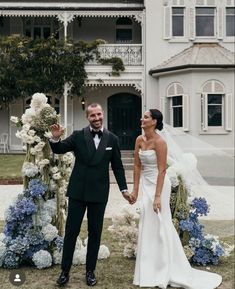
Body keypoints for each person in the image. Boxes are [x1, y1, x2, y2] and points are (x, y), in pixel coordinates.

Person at [129, 109, 222, 289]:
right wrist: (135, 189)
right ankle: (148, 269)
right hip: (146, 186)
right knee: (147, 224)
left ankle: (166, 268)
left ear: (154, 121)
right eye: (143, 116)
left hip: (159, 186)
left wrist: (157, 196)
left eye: (146, 117)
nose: (142, 119)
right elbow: (136, 165)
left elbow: (162, 170)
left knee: (160, 224)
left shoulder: (160, 142)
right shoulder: (139, 140)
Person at [50, 103, 131, 287]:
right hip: (78, 191)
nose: (96, 118)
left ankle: (90, 272)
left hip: (99, 193)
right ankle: (64, 271)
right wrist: (55, 139)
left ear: (103, 115)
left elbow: (117, 167)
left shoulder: (112, 139)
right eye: (92, 115)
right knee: (71, 232)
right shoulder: (79, 135)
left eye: (99, 114)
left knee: (95, 233)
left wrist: (124, 189)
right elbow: (60, 148)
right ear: (87, 117)